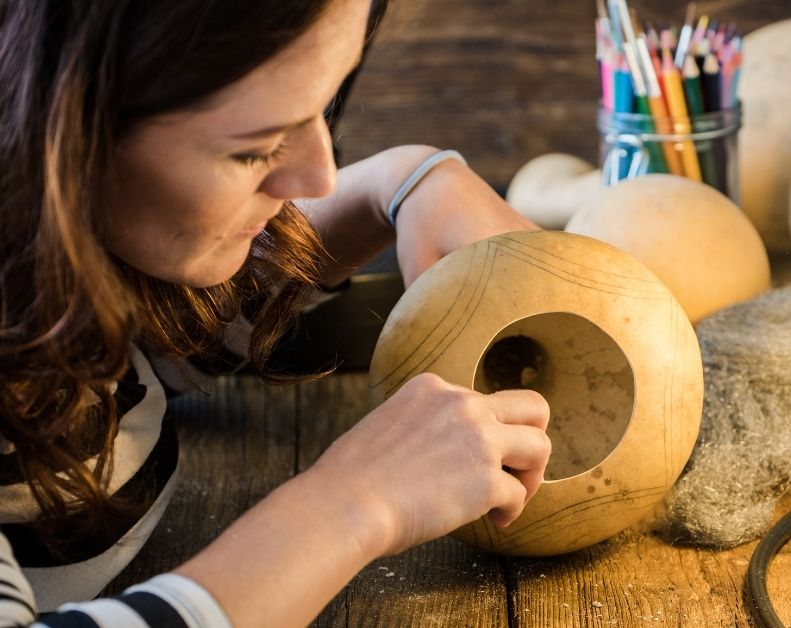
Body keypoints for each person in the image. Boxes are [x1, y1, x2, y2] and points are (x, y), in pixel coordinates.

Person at [0, 0, 554, 625]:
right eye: (255, 149)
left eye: (325, 102)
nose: (320, 177)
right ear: (59, 131)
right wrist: (356, 503)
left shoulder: (59, 263)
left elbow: (174, 339)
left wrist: (394, 185)